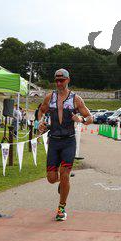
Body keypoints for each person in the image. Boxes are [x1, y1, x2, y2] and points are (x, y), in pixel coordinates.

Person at [37, 68, 92, 221]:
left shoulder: (76, 99)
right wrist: (40, 122)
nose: (59, 83)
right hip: (54, 141)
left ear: (68, 80)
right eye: (57, 80)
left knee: (65, 174)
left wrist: (81, 119)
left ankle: (61, 208)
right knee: (51, 178)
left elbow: (90, 117)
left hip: (68, 141)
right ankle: (62, 183)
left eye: (62, 80)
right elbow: (41, 111)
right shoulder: (50, 97)